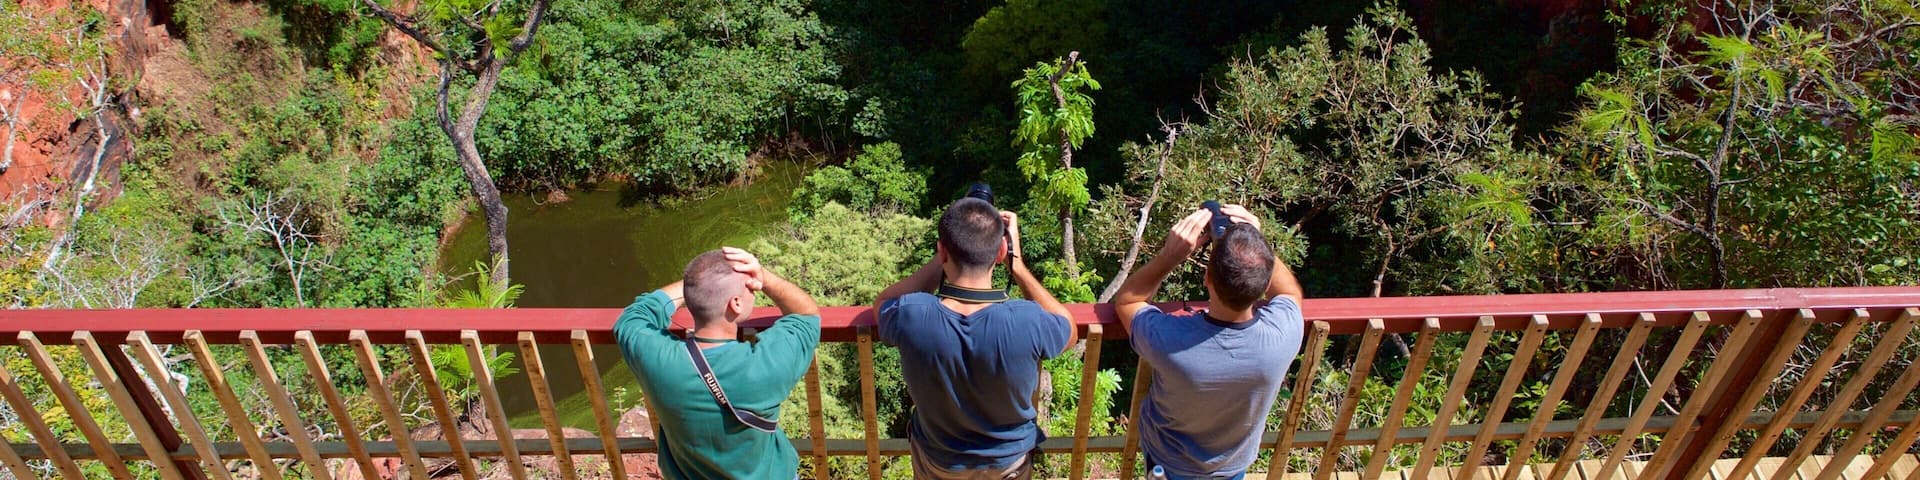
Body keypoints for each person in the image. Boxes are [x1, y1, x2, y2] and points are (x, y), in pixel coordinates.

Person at [875, 194, 1079, 479]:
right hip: (1008, 463)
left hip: (939, 461)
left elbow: (882, 303)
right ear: (1001, 251)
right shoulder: (1026, 320)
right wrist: (1017, 266)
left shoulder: (912, 314)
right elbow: (1069, 329)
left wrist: (943, 256)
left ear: (942, 251)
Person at [1110, 204, 1306, 480]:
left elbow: (1128, 302)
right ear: (1264, 286)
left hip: (1168, 463)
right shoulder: (1282, 337)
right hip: (1232, 465)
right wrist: (1256, 244)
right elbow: (1289, 293)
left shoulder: (1170, 340)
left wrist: (1169, 256)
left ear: (1207, 278)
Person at [613, 247, 821, 479]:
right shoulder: (764, 366)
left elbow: (634, 316)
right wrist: (764, 277)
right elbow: (806, 314)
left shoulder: (657, 360)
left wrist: (696, 284)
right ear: (736, 303)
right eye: (750, 288)